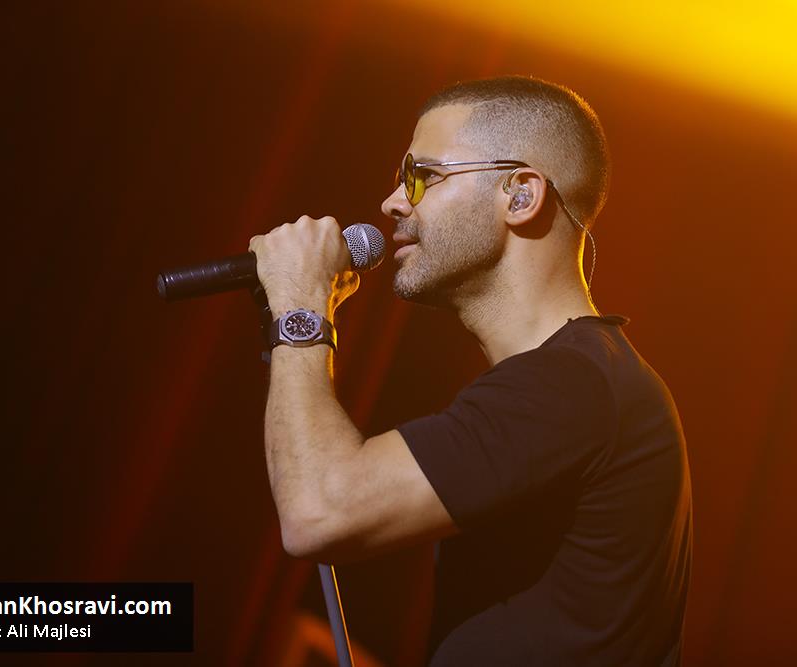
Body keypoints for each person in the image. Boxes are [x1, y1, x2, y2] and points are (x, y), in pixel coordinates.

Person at [248, 76, 692, 666]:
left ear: (520, 196)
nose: (393, 202)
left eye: (422, 176)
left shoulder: (574, 387)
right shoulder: (571, 384)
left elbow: (319, 511)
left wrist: (301, 306)